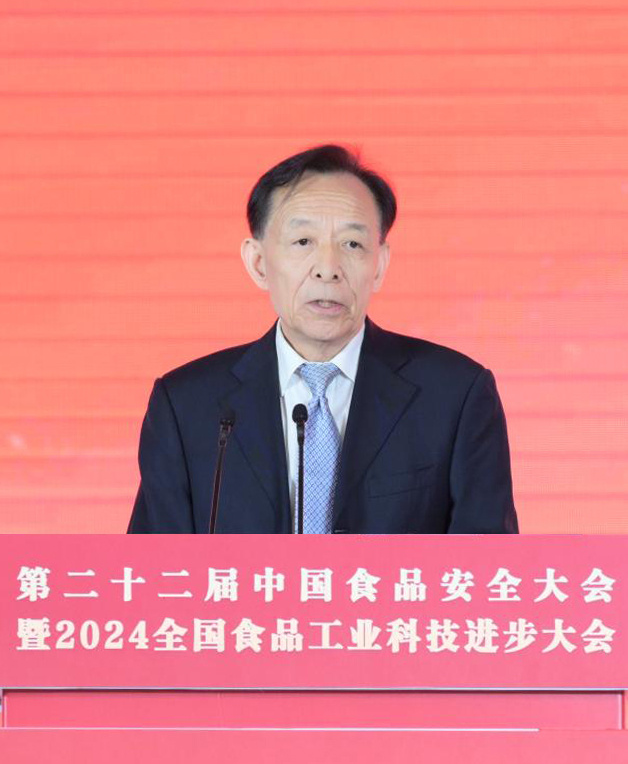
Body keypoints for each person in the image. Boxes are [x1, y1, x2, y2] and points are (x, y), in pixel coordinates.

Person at [127, 144, 518, 534]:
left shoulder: (456, 396)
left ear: (379, 265)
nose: (328, 269)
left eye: (352, 244)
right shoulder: (186, 406)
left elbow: (488, 564)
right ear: (258, 263)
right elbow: (152, 566)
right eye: (303, 242)